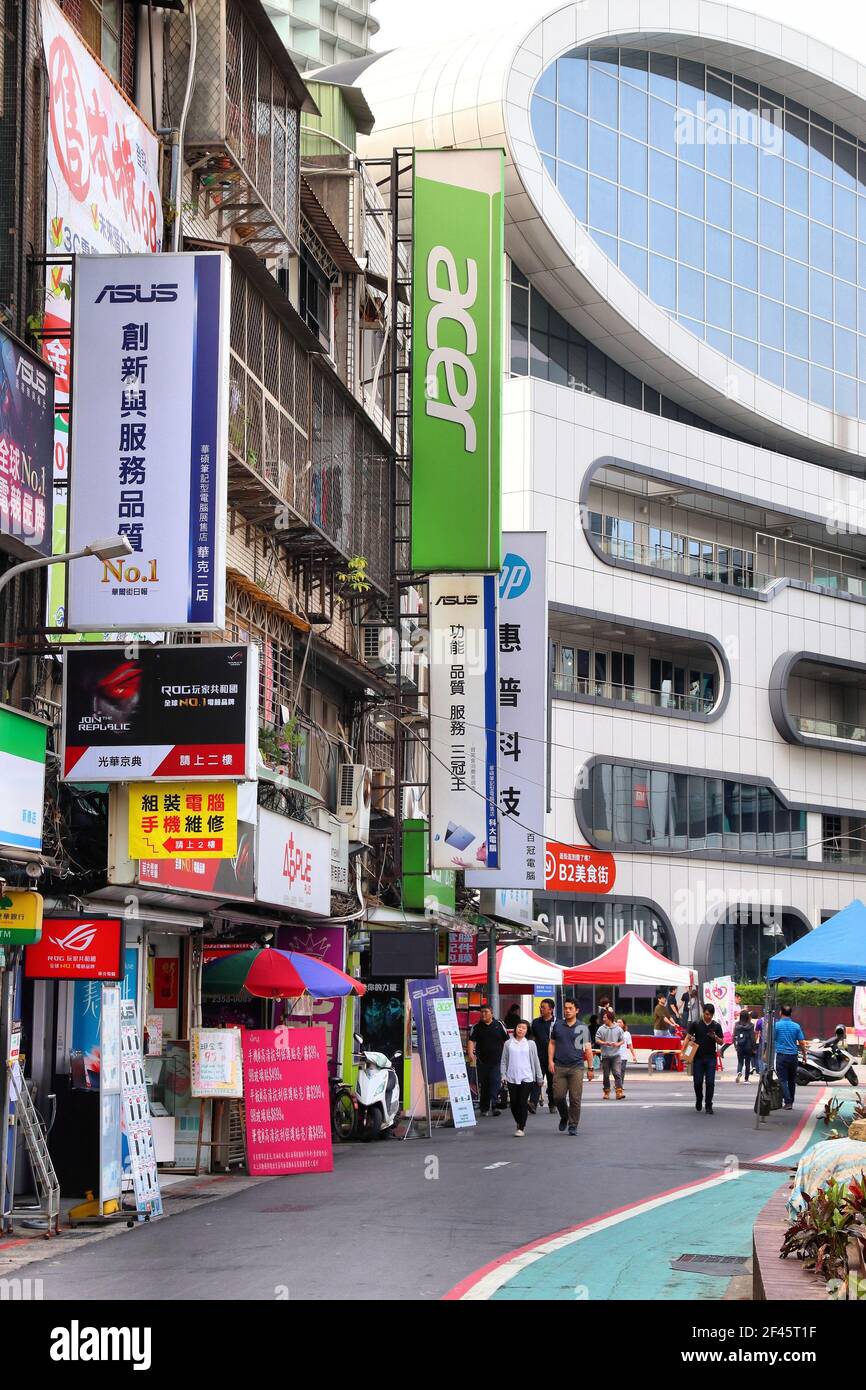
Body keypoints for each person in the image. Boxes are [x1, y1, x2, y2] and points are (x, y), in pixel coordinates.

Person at [548, 997, 595, 1135]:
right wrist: (550, 1061)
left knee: (575, 1098)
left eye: (570, 1008)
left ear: (577, 1010)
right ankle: (564, 1116)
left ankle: (573, 1124)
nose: (567, 1011)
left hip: (576, 1067)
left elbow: (587, 1049)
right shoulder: (557, 1025)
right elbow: (552, 1043)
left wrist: (590, 1068)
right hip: (560, 1066)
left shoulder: (582, 1027)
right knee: (558, 1096)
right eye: (565, 1008)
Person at [502, 1019, 543, 1136]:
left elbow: (536, 1061)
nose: (521, 1029)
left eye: (524, 1028)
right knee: (514, 1103)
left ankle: (521, 1127)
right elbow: (503, 1061)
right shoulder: (508, 1043)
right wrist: (503, 1075)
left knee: (522, 1102)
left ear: (527, 1031)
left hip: (527, 1077)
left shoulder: (531, 1044)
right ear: (515, 1029)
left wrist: (539, 1077)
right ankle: (518, 1121)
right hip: (511, 1077)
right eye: (519, 1027)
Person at [467, 1005, 508, 1117]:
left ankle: (494, 1105)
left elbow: (507, 1041)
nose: (483, 1014)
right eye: (482, 1012)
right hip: (482, 1061)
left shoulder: (499, 1025)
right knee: (484, 1084)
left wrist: (508, 1056)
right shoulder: (476, 1027)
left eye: (486, 1012)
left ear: (492, 1013)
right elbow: (471, 1041)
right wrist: (470, 1053)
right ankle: (484, 1108)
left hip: (497, 1060)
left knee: (495, 1082)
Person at [687, 1002, 724, 1114]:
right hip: (698, 1057)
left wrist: (715, 1037)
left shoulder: (716, 1025)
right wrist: (685, 1051)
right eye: (707, 1014)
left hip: (711, 1058)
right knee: (697, 1082)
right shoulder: (696, 1024)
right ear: (703, 1013)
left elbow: (721, 1042)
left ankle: (709, 1104)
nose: (708, 1017)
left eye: (711, 1015)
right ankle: (699, 1098)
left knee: (710, 1082)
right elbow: (688, 1038)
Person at [773, 1005, 808, 1110]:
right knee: (792, 1080)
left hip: (781, 1056)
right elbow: (801, 1042)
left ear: (780, 1013)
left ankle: (787, 1101)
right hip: (793, 1056)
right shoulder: (796, 1026)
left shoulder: (776, 1026)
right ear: (791, 1014)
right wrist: (804, 1055)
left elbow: (771, 1040)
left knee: (783, 1080)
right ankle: (791, 1101)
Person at [529, 998, 556, 1114]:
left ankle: (552, 1104)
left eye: (543, 1007)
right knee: (537, 1081)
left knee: (552, 1083)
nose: (540, 1009)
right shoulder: (535, 1023)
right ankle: (533, 1104)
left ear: (550, 1009)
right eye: (540, 1007)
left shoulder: (557, 1023)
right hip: (538, 1057)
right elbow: (531, 1039)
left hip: (553, 1059)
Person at [596, 1010, 626, 1099]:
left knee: (617, 1073)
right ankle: (606, 1092)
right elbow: (597, 1039)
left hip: (616, 1056)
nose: (603, 1019)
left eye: (605, 1017)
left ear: (610, 1019)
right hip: (605, 1056)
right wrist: (605, 1043)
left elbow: (622, 1040)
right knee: (606, 1075)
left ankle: (619, 1092)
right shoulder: (601, 1028)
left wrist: (617, 1044)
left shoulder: (618, 1029)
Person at [733, 1008, 757, 1082]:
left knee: (740, 1061)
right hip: (748, 1046)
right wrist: (754, 1047)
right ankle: (746, 1079)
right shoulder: (751, 1025)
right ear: (747, 1017)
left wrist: (735, 1046)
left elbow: (734, 1036)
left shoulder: (736, 1025)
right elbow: (752, 1037)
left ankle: (739, 1072)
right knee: (747, 1062)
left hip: (740, 1045)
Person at [617, 1017, 637, 1090]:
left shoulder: (627, 1034)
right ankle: (618, 1084)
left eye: (620, 1022)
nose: (618, 1023)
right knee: (616, 1071)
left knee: (622, 1070)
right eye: (617, 1022)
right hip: (615, 1055)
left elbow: (630, 1045)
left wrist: (634, 1055)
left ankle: (620, 1085)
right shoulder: (614, 1032)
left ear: (623, 1024)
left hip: (623, 1055)